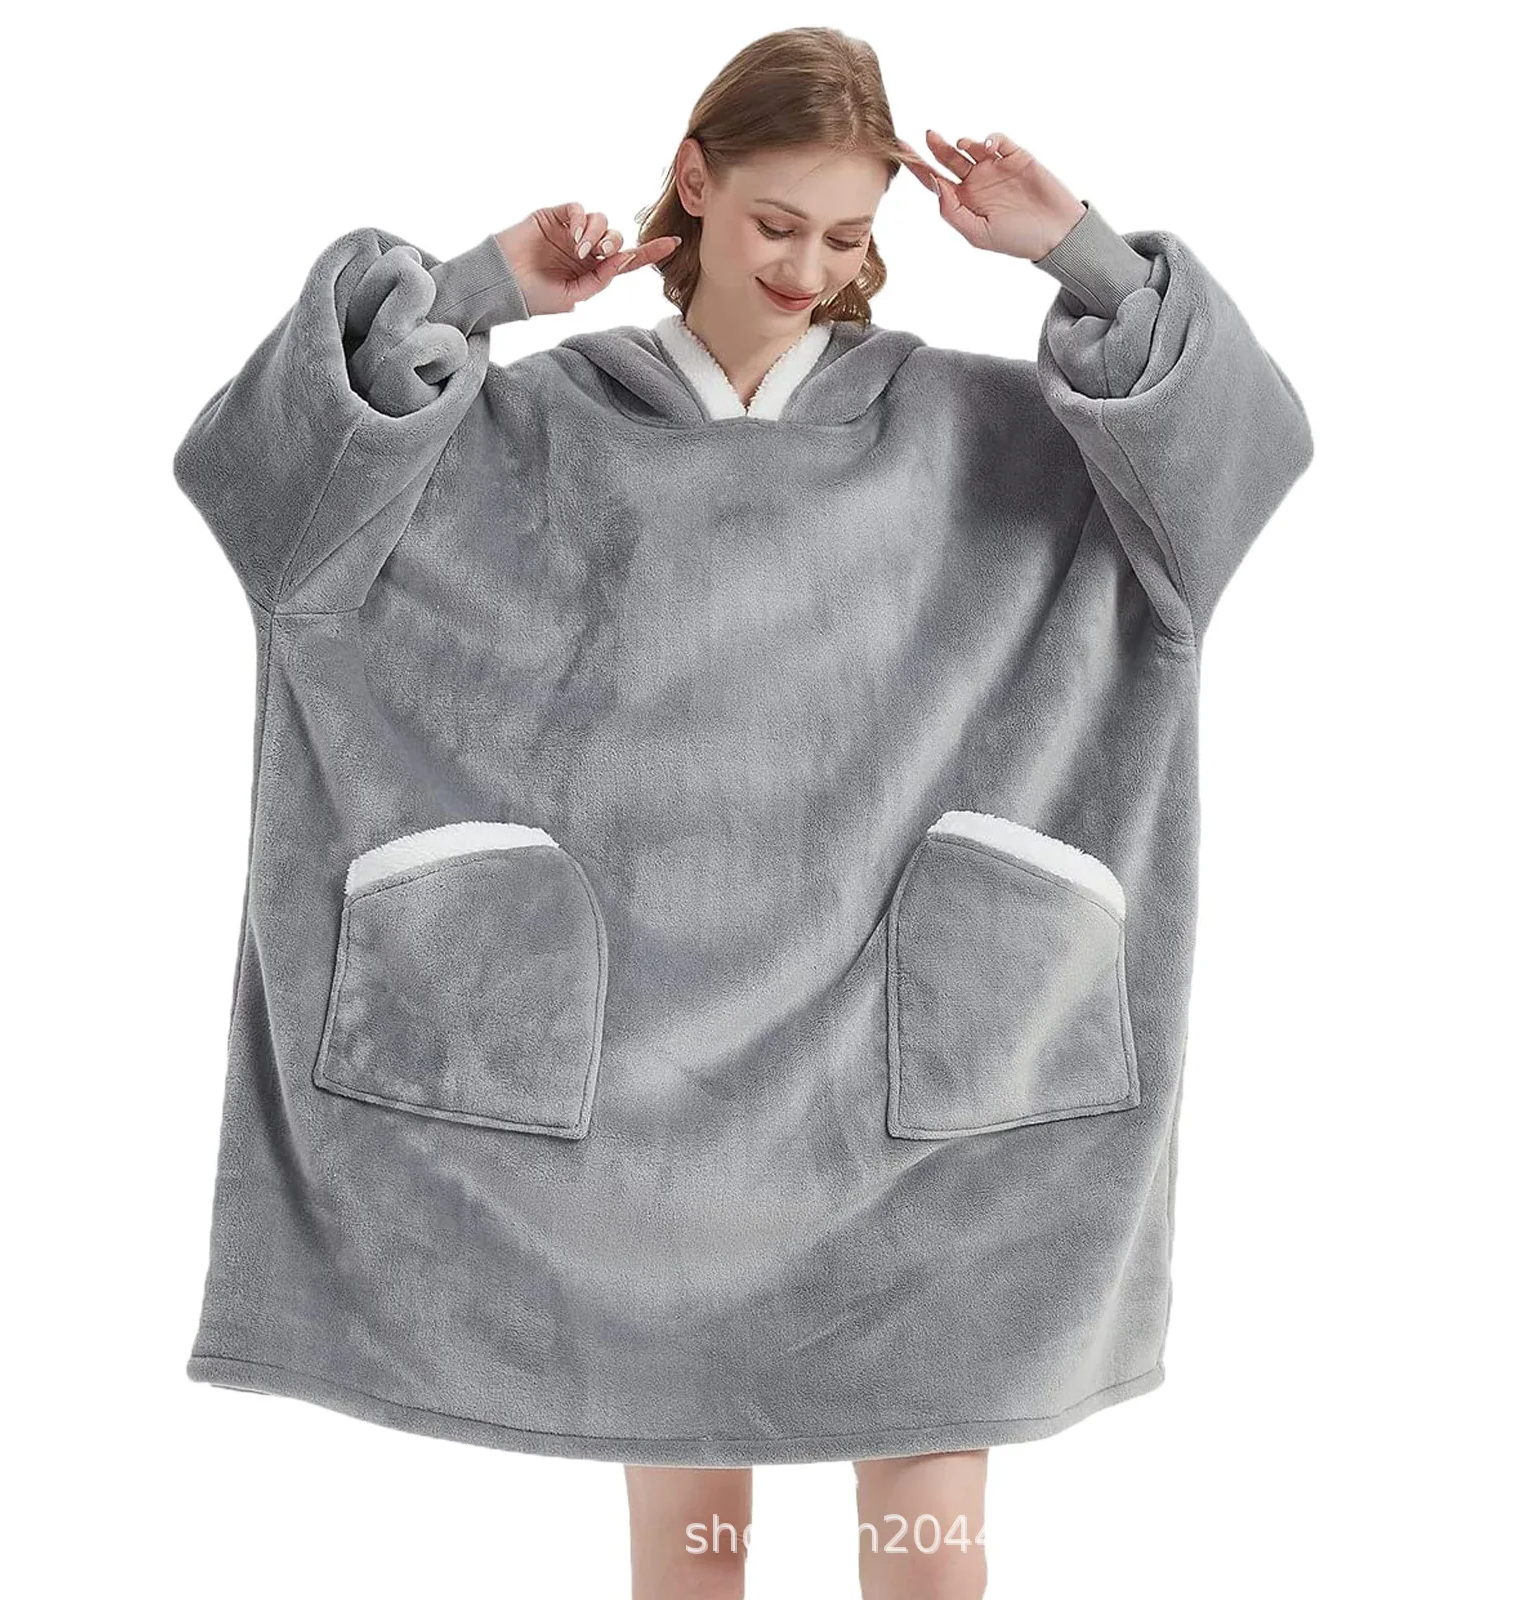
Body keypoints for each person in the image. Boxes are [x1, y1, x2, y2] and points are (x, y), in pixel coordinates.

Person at [172, 26, 1312, 1600]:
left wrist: (1081, 253)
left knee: (931, 1557)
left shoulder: (990, 438)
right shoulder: (533, 433)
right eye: (779, 222)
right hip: (639, 1117)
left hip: (922, 1099)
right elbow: (279, 491)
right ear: (694, 183)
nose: (809, 268)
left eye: (847, 236)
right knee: (694, 1563)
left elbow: (1229, 463)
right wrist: (481, 292)